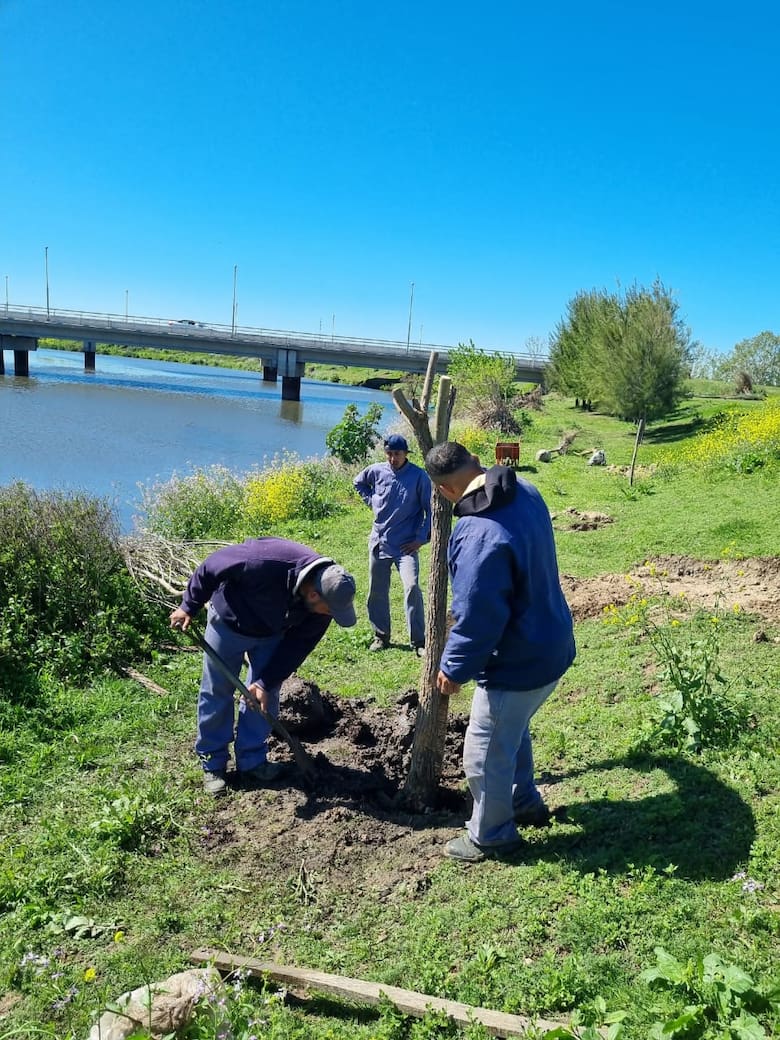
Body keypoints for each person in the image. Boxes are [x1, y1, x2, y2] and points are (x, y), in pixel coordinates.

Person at [424, 442, 576, 863]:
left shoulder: (477, 533)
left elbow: (477, 614)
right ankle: (522, 800)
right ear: (475, 462)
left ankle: (491, 835)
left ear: (446, 492)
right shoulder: (525, 488)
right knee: (512, 726)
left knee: (485, 749)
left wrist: (454, 667)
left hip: (520, 658)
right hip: (552, 642)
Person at [170, 537, 357, 795]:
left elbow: (297, 646)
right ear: (313, 594)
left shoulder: (323, 609)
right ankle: (213, 764)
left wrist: (265, 681)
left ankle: (252, 761)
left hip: (272, 634)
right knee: (216, 691)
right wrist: (189, 605)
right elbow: (211, 567)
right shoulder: (264, 560)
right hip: (228, 624)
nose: (330, 615)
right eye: (329, 610)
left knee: (265, 696)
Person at [353, 433, 432, 655]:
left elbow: (431, 511)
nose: (392, 458)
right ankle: (381, 636)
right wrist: (372, 501)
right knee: (376, 591)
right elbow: (358, 483)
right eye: (389, 453)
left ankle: (419, 641)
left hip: (406, 545)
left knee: (412, 586)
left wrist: (420, 539)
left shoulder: (419, 477)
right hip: (379, 541)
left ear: (406, 454)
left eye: (397, 454)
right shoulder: (376, 470)